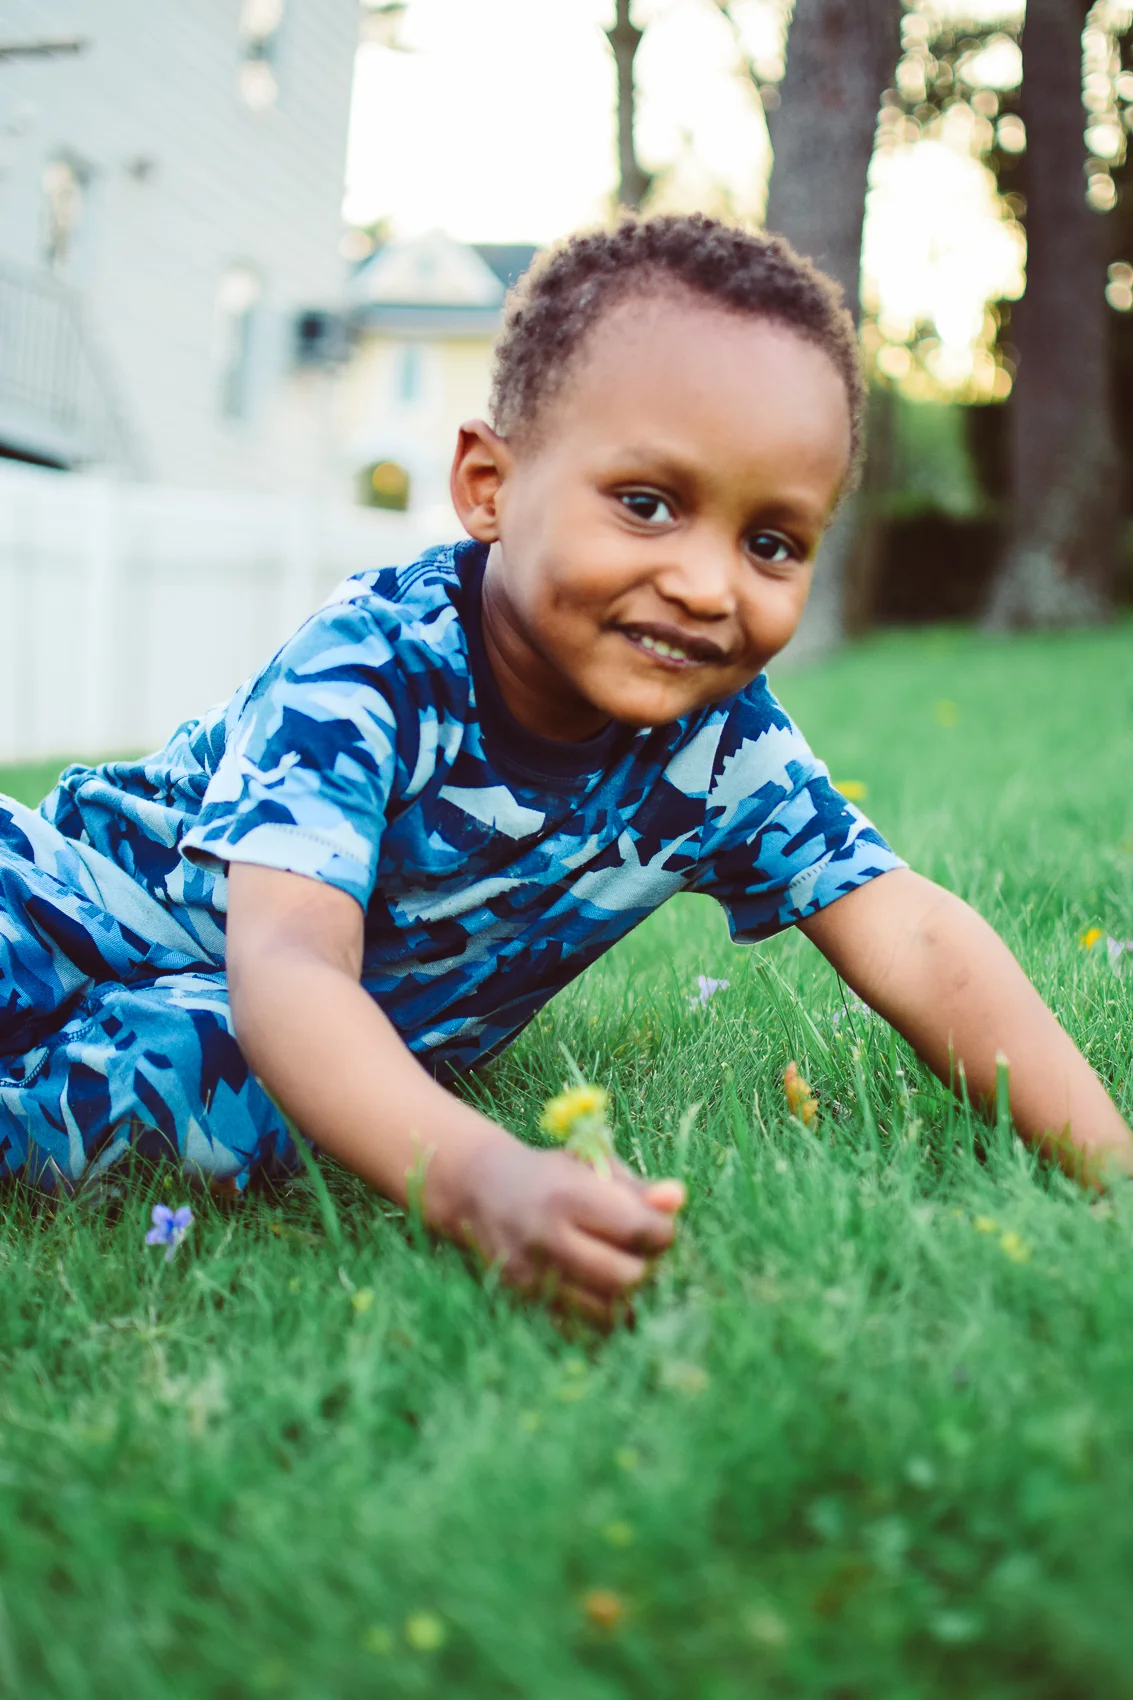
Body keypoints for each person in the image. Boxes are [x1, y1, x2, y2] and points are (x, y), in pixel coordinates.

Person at [1, 216, 1129, 1323]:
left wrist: (1111, 1172)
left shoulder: (718, 746)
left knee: (234, 1092)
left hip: (257, 1026)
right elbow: (289, 958)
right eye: (647, 504)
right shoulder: (372, 663)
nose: (704, 583)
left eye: (770, 541)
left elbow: (917, 937)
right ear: (488, 484)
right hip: (82, 901)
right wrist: (474, 1177)